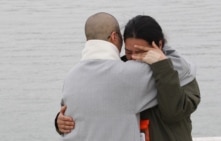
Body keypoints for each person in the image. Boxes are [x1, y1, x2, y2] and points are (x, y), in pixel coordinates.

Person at [56, 14, 200, 141]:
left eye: (140, 51)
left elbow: (173, 113)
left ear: (159, 45)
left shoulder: (181, 75)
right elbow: (96, 103)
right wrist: (60, 121)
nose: (134, 58)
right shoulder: (123, 72)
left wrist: (162, 66)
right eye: (129, 51)